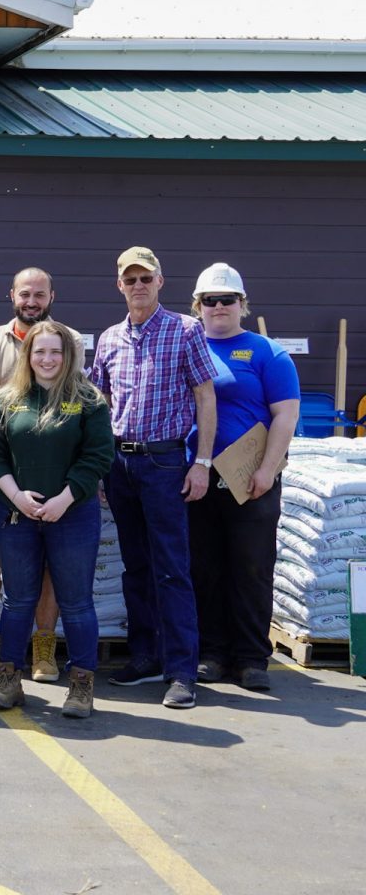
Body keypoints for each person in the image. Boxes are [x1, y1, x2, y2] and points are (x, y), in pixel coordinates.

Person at [89, 246, 219, 710]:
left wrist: (201, 462)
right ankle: (144, 655)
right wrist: (98, 465)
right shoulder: (108, 339)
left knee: (171, 568)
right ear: (119, 285)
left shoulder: (186, 331)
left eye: (146, 278)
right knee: (135, 566)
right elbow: (98, 403)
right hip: (120, 464)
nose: (138, 286)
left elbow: (205, 397)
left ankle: (181, 670)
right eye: (130, 279)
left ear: (161, 282)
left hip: (166, 463)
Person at [0, 321, 114, 718]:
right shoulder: (7, 400)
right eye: (40, 351)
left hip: (72, 515)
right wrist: (17, 496)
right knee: (18, 601)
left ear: (68, 355)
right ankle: (8, 679)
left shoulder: (88, 401)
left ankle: (81, 685)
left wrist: (64, 498)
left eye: (56, 351)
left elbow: (98, 456)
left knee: (75, 604)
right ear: (28, 355)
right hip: (17, 515)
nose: (48, 359)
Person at [0, 268, 81, 680]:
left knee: (47, 564)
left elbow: (72, 394)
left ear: (52, 296)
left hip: (50, 467)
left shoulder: (70, 340)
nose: (31, 301)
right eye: (24, 293)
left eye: (39, 294)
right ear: (11, 295)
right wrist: (35, 390)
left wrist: (6, 395)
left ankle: (43, 649)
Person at [186, 263, 299, 692]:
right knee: (205, 567)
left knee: (251, 568)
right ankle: (212, 653)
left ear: (241, 304)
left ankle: (252, 657)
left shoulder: (268, 353)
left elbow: (285, 416)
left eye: (226, 300)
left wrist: (268, 469)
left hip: (251, 478)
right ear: (197, 306)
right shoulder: (188, 347)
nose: (218, 307)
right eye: (209, 300)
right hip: (199, 475)